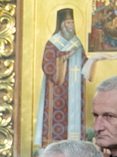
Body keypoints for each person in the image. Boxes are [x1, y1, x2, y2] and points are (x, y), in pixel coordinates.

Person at [36, 8, 87, 148]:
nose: (71, 26)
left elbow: (84, 62)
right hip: (57, 89)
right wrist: (65, 57)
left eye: (72, 23)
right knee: (56, 115)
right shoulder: (53, 42)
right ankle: (52, 144)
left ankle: (76, 144)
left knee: (75, 113)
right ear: (62, 24)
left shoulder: (77, 43)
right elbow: (47, 64)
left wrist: (92, 62)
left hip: (75, 88)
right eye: (68, 23)